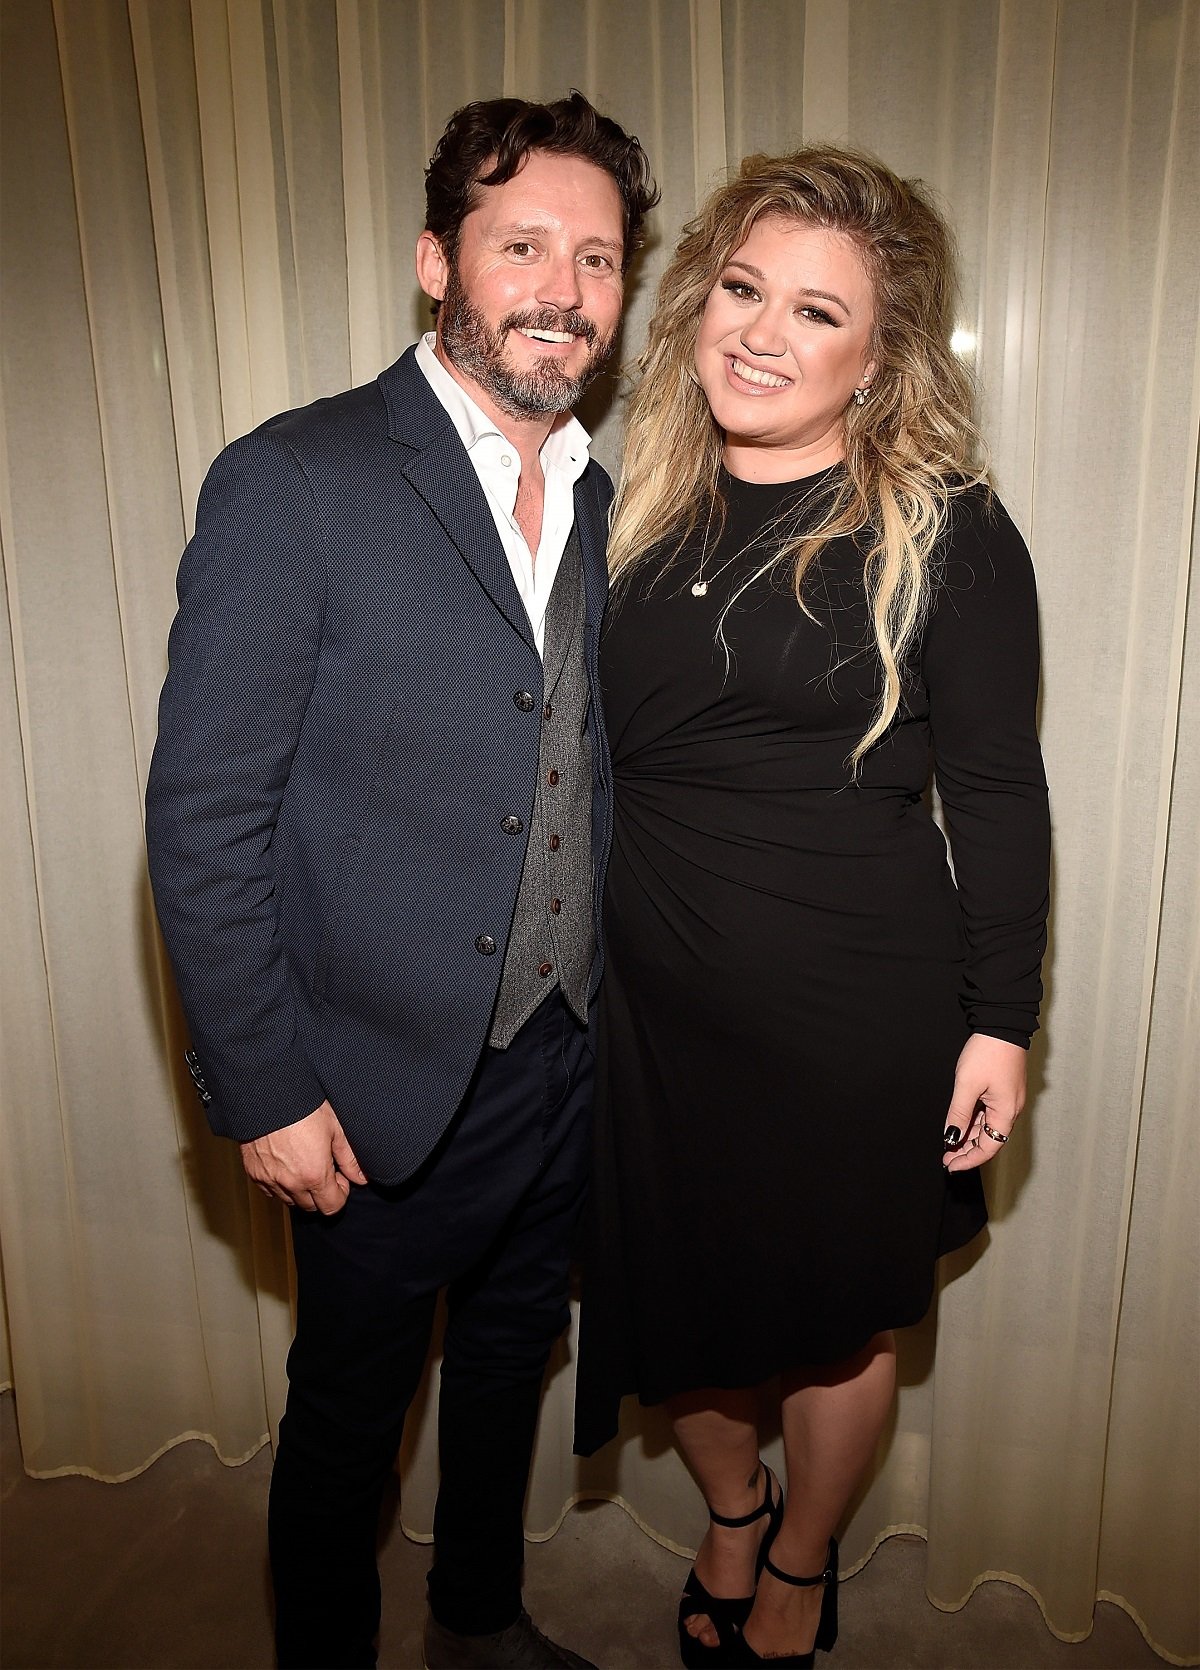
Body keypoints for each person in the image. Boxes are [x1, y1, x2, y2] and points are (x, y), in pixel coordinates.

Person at [146, 92, 657, 1670]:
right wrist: (264, 1087)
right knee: (351, 1416)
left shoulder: (602, 493)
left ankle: (480, 1616)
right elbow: (203, 814)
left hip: (561, 1053)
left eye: (597, 255)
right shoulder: (293, 480)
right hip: (367, 1083)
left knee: (515, 1353)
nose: (562, 288)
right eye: (523, 246)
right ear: (439, 261)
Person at [573, 147, 1050, 1669]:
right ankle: (730, 1506)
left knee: (838, 1319)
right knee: (680, 1308)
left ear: (879, 357)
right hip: (647, 1014)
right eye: (741, 287)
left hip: (856, 1016)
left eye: (817, 309)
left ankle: (796, 1554)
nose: (762, 331)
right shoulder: (628, 505)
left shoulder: (950, 530)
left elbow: (995, 795)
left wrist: (1001, 1020)